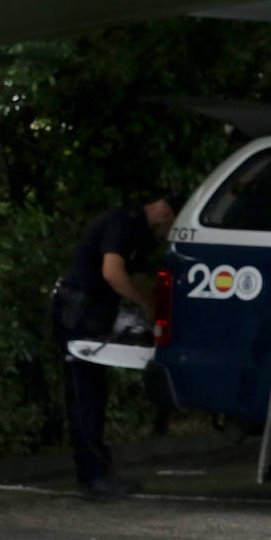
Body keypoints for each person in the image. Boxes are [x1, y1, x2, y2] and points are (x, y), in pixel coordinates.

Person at [51, 194, 183, 500]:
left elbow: (135, 276)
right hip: (76, 313)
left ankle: (98, 472)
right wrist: (142, 302)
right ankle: (92, 477)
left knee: (93, 393)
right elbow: (113, 272)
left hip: (90, 314)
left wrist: (154, 308)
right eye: (174, 225)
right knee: (84, 396)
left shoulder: (138, 232)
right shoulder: (123, 222)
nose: (170, 235)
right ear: (165, 213)